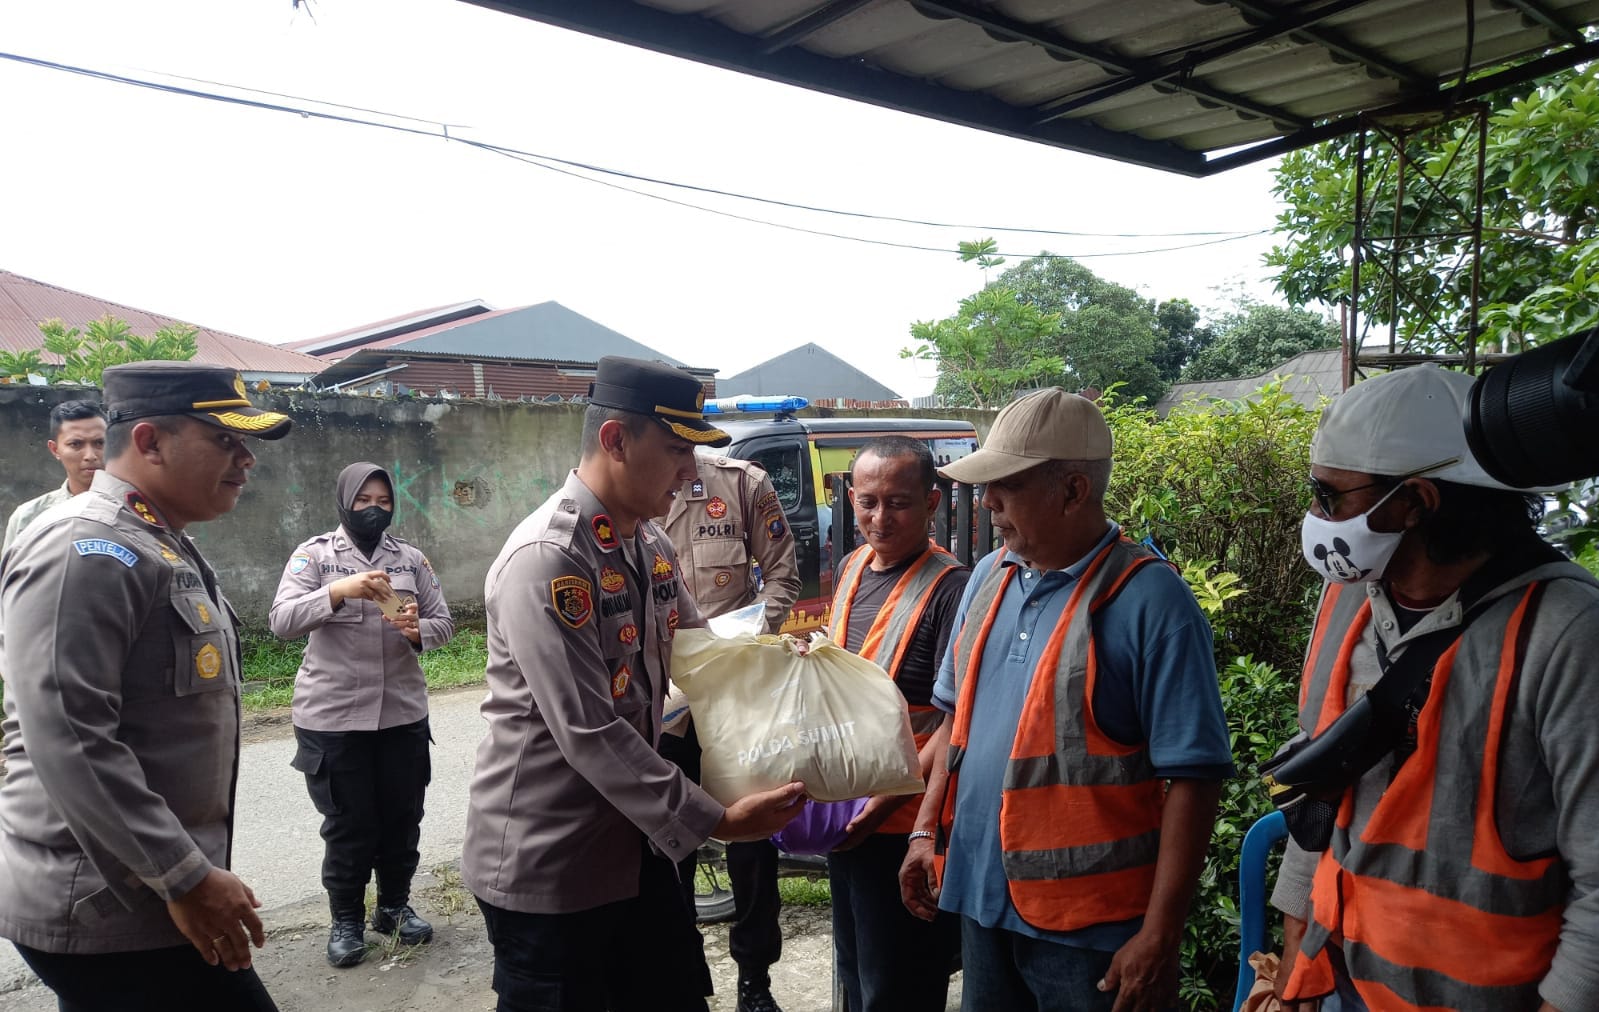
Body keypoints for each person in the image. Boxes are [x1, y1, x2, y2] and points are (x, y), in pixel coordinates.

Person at [462, 355, 805, 1012]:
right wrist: (717, 821)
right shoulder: (549, 559)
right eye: (677, 450)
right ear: (616, 440)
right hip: (552, 865)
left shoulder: (646, 543)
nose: (689, 472)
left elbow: (701, 649)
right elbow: (589, 731)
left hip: (635, 843)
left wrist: (787, 663)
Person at [1268, 364, 1599, 1012]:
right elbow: (1321, 786)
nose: (1314, 515)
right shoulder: (1346, 603)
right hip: (1341, 984)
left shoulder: (1566, 632)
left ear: (1414, 503)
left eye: (1327, 496)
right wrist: (1294, 963)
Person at [900, 387, 1232, 1012]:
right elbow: (956, 726)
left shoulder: (1151, 601)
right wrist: (924, 832)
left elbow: (1195, 777)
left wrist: (1160, 933)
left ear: (1074, 490)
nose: (989, 502)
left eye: (1008, 486)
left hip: (1090, 932)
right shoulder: (989, 577)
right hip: (980, 898)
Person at [0, 362, 292, 1010]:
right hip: (110, 902)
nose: (246, 459)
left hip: (138, 889)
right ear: (149, 441)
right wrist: (185, 879)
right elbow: (68, 735)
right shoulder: (85, 548)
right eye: (224, 439)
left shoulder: (156, 539)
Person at [268, 462, 456, 968]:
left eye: (383, 501)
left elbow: (444, 623)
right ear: (344, 500)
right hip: (333, 718)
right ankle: (346, 920)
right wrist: (337, 592)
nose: (375, 509)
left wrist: (418, 631)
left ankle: (393, 907)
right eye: (363, 500)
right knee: (350, 826)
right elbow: (282, 620)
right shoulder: (313, 556)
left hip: (400, 714)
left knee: (402, 818)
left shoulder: (411, 560)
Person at [827, 436, 969, 1011]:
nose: (879, 518)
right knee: (856, 972)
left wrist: (880, 811)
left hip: (905, 822)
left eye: (899, 503)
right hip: (844, 814)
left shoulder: (951, 588)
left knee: (900, 984)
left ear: (932, 504)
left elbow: (953, 723)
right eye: (867, 502)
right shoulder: (851, 566)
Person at [659, 450, 802, 1012]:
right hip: (665, 703)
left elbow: (783, 576)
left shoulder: (743, 483)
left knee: (752, 847)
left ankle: (755, 979)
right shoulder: (629, 493)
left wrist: (741, 644)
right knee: (669, 841)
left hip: (737, 699)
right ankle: (681, 967)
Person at [2, 399, 107, 552]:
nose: (90, 456)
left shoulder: (136, 513)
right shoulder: (28, 517)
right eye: (76, 444)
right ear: (55, 450)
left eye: (99, 443)